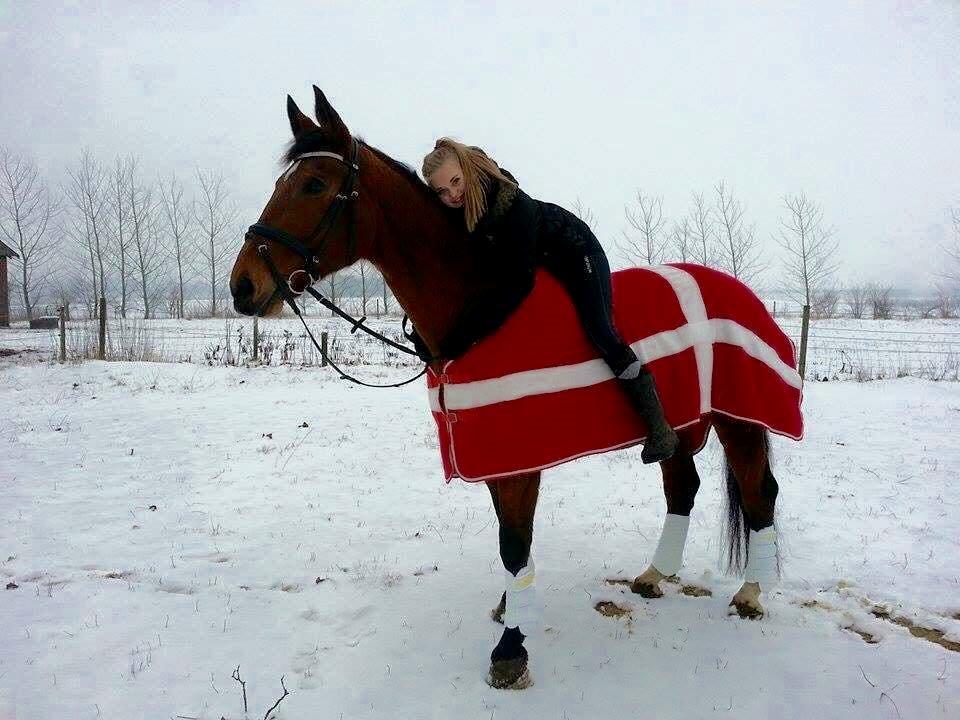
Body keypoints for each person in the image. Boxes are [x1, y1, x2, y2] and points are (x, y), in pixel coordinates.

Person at [421, 138, 678, 464]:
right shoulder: (462, 214)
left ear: (468, 170)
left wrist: (461, 336)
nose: (452, 195)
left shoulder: (513, 208)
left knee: (600, 330)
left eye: (456, 182)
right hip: (542, 261)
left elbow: (515, 284)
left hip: (577, 252)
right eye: (442, 192)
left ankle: (659, 428)